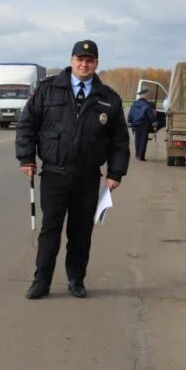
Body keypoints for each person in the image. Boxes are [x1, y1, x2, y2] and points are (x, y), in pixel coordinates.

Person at [15, 39, 130, 300]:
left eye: (89, 60)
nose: (84, 64)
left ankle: (76, 279)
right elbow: (27, 126)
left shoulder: (108, 99)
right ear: (71, 60)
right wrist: (26, 158)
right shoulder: (48, 91)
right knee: (50, 230)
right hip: (54, 173)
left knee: (80, 233)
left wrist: (115, 173)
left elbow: (120, 141)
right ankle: (41, 281)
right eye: (79, 59)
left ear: (96, 64)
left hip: (87, 177)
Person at [128, 88, 158, 161]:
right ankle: (141, 156)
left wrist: (130, 124)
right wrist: (155, 125)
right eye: (147, 95)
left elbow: (130, 114)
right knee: (143, 141)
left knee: (137, 140)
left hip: (136, 125)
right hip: (144, 125)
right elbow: (151, 116)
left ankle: (137, 154)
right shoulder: (147, 105)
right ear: (145, 95)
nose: (147, 96)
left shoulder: (134, 104)